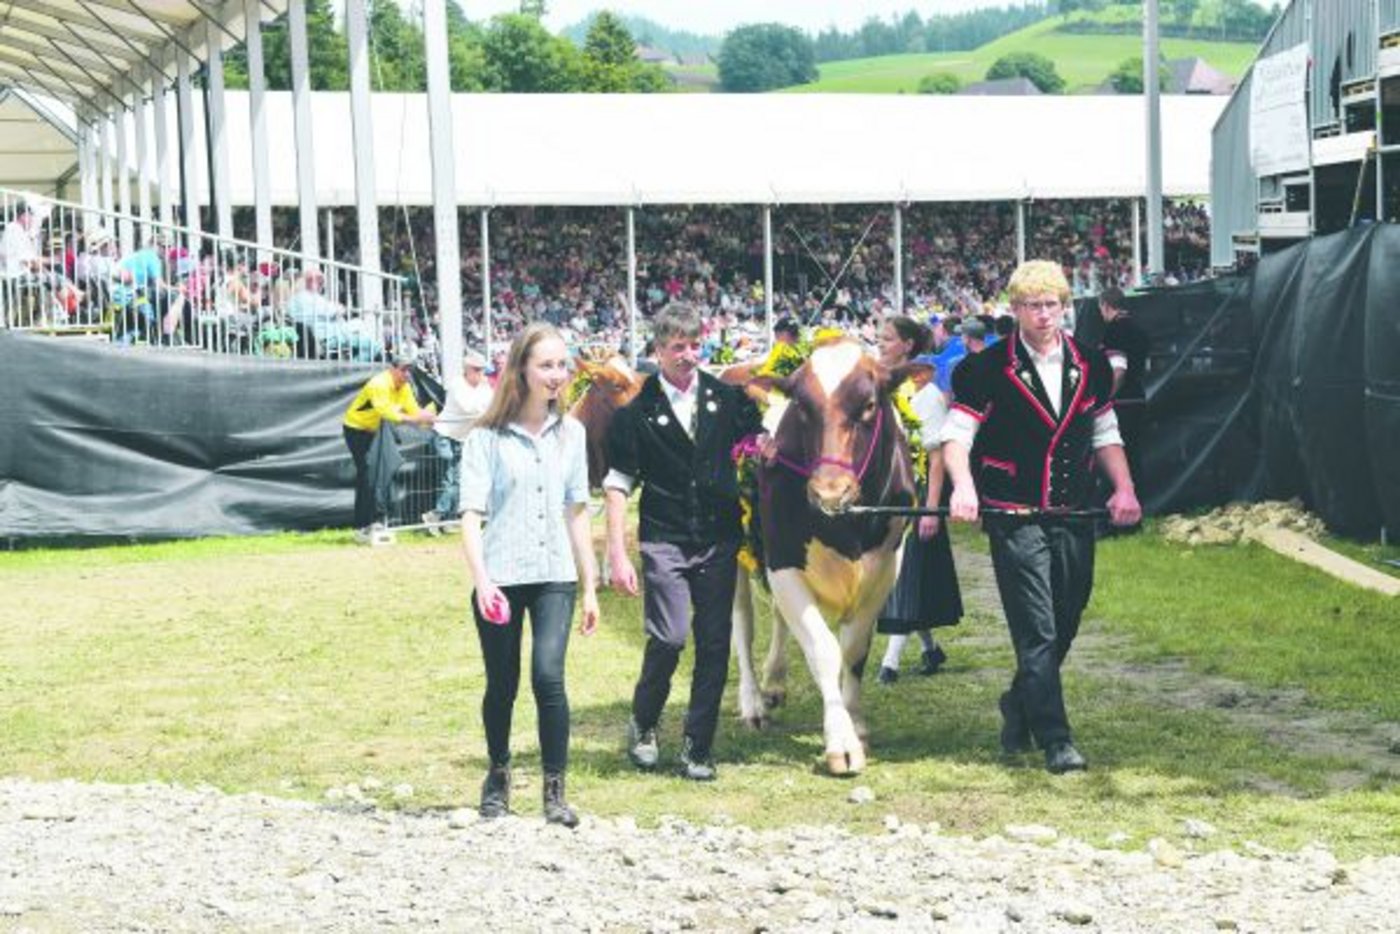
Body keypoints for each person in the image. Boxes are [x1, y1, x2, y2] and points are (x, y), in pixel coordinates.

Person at [943, 260, 1141, 774]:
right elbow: (956, 438)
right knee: (1037, 629)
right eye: (1033, 305)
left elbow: (1105, 434)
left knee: (1067, 618)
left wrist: (1124, 488)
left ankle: (1019, 702)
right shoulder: (984, 369)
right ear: (1016, 310)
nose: (1044, 314)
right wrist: (963, 486)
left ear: (1065, 307)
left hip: (1074, 510)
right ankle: (1056, 737)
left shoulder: (1091, 364)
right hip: (1014, 513)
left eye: (1053, 304)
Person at [604, 302, 763, 781]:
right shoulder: (635, 414)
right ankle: (645, 721)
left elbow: (758, 439)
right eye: (678, 347)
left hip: (718, 540)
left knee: (715, 643)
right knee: (669, 638)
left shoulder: (727, 398)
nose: (689, 355)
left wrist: (767, 445)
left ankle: (699, 744)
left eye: (696, 346)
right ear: (658, 350)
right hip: (665, 539)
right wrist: (616, 553)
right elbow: (617, 484)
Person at [458, 323, 599, 827]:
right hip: (500, 577)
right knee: (502, 684)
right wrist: (482, 580)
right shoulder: (486, 438)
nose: (557, 375)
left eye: (562, 365)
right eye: (546, 365)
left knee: (549, 678)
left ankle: (555, 791)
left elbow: (577, 511)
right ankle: (497, 776)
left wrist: (589, 587)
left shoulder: (574, 434)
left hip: (553, 576)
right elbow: (471, 516)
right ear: (521, 369)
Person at [874, 318, 964, 685]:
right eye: (879, 338)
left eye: (888, 339)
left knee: (906, 573)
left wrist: (930, 508)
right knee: (908, 575)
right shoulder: (881, 386)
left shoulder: (924, 393)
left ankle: (890, 663)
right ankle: (929, 648)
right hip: (888, 492)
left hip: (919, 492)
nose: (880, 344)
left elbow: (938, 455)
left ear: (908, 345)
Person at [342, 350, 435, 543]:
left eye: (410, 370)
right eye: (403, 370)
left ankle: (375, 522)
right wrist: (416, 418)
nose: (407, 374)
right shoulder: (379, 383)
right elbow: (387, 413)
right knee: (367, 474)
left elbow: (414, 411)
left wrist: (430, 420)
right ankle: (362, 527)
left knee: (380, 473)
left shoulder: (405, 386)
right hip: (356, 429)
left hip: (375, 430)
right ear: (392, 369)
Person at [422, 349, 494, 535]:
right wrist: (483, 408)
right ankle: (436, 515)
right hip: (445, 435)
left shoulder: (484, 386)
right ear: (467, 369)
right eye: (477, 370)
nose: (480, 374)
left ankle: (443, 518)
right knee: (450, 480)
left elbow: (491, 406)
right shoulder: (457, 385)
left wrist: (483, 408)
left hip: (463, 438)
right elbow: (468, 408)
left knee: (459, 481)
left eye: (482, 370)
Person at [1098, 287, 1149, 515]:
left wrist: (1106, 398)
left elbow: (1118, 370)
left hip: (1121, 403)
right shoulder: (1141, 331)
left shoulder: (1114, 331)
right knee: (1134, 456)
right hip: (1138, 397)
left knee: (1115, 460)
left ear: (1106, 306)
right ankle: (1136, 510)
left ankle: (1115, 514)